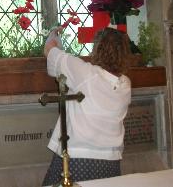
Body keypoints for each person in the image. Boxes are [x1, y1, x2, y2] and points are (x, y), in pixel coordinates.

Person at [42, 27, 132, 186]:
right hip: (111, 162)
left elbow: (49, 51)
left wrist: (54, 36)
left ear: (98, 48)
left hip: (78, 159)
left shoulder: (84, 72)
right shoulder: (125, 84)